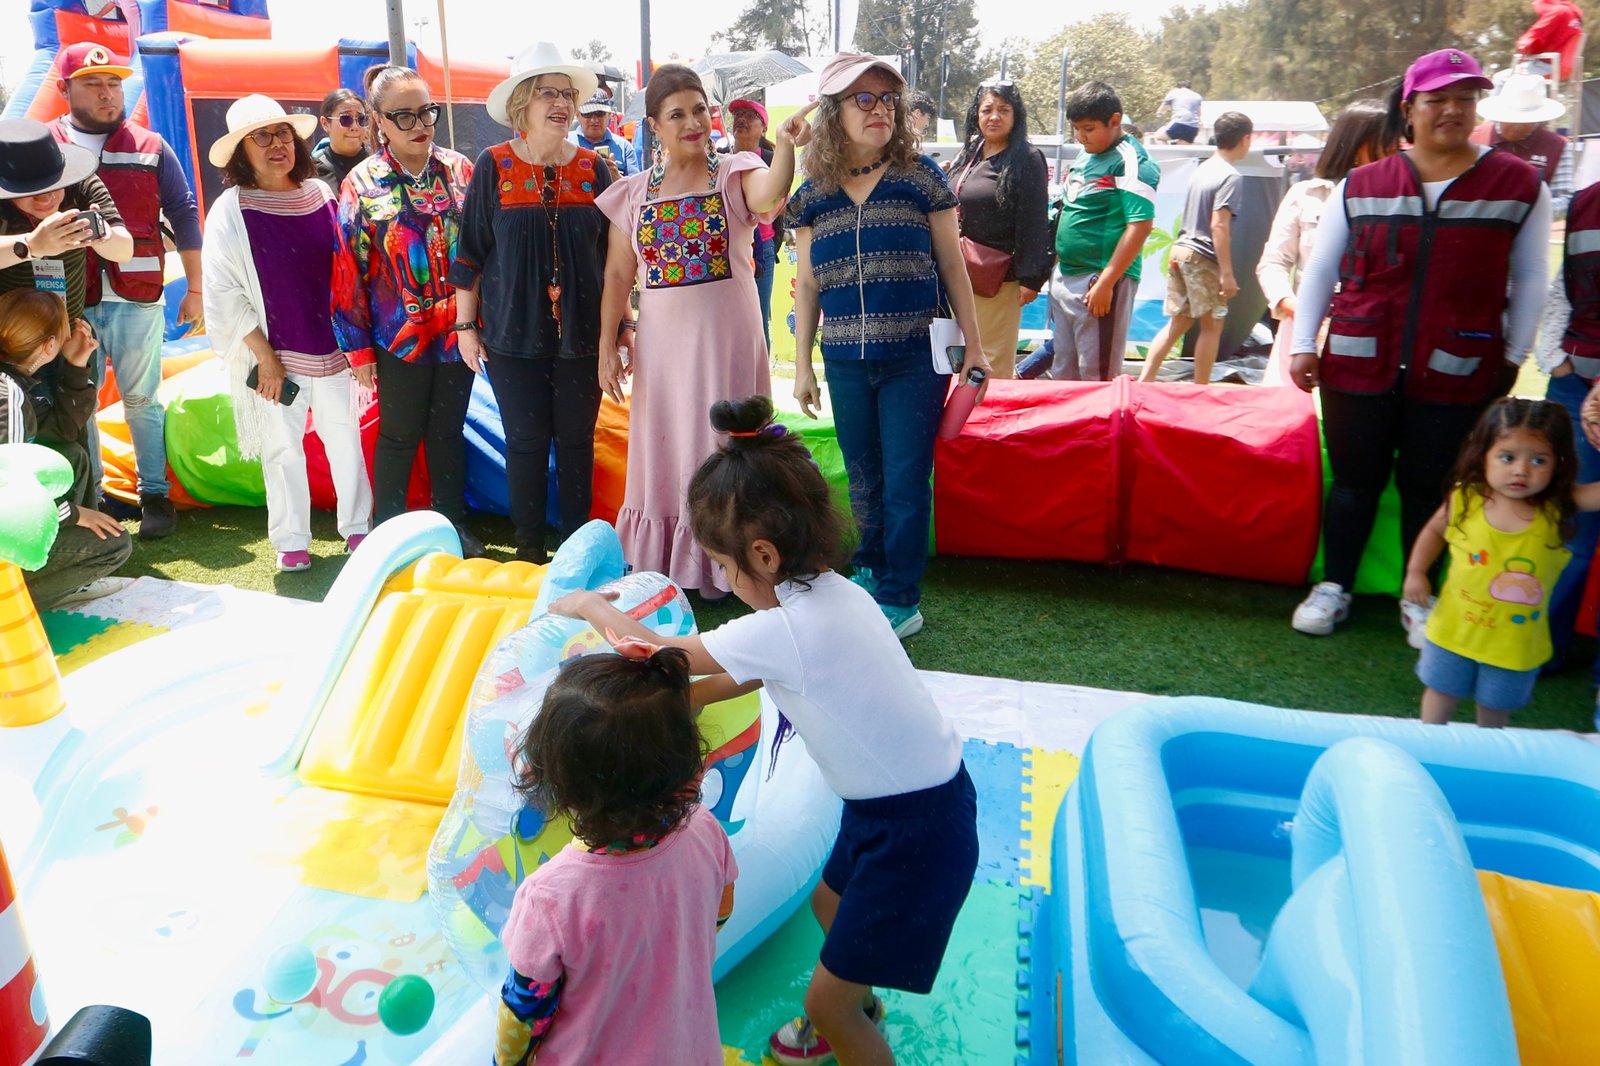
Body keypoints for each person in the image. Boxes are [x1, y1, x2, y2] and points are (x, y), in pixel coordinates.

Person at [550, 396, 978, 1066]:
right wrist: (686, 703)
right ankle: (859, 1012)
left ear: (764, 555)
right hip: (907, 807)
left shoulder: (791, 625)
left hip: (917, 829)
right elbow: (744, 678)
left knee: (821, 1003)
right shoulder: (832, 593)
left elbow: (661, 656)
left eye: (722, 565)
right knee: (830, 906)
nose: (721, 578)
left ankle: (845, 1020)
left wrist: (586, 606)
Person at [1287, 48, 1551, 637]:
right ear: (1409, 110)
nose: (1452, 111)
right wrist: (1304, 343)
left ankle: (1419, 595)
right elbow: (1322, 267)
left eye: (1465, 99)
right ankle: (1334, 586)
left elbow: (1533, 276)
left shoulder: (1519, 185)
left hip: (1460, 365)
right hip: (1359, 362)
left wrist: (1513, 356)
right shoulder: (1361, 183)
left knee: (1432, 485)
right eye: (1437, 100)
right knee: (1354, 482)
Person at [789, 51, 988, 638]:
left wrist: (973, 347)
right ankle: (872, 572)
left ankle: (902, 597)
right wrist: (802, 365)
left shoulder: (921, 177)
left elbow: (953, 265)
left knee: (905, 479)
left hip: (913, 358)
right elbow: (806, 288)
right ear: (834, 113)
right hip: (845, 359)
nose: (879, 110)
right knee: (864, 475)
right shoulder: (813, 194)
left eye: (887, 100)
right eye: (863, 99)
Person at [593, 64, 799, 598]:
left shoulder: (735, 171)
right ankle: (668, 562)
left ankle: (735, 559)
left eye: (699, 110)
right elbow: (618, 274)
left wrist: (789, 147)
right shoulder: (632, 193)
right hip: (662, 350)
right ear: (655, 126)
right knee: (667, 444)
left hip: (726, 343)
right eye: (676, 114)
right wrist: (606, 344)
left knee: (725, 445)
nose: (692, 122)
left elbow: (771, 191)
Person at [494, 647, 737, 1066]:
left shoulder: (551, 897)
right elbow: (721, 910)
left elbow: (525, 1012)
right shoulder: (703, 829)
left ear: (562, 783)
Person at [449, 44, 613, 564]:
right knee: (523, 441)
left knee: (576, 443)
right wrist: (465, 326)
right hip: (511, 334)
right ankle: (527, 550)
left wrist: (623, 325)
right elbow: (470, 251)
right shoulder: (493, 165)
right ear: (522, 104)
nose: (561, 103)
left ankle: (578, 548)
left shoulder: (596, 169)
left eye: (568, 94)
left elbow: (614, 259)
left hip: (583, 334)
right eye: (549, 93)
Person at [204, 95, 373, 574]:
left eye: (283, 135)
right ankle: (292, 538)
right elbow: (223, 290)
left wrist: (357, 343)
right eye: (262, 137)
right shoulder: (230, 211)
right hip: (275, 354)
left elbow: (346, 271)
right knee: (281, 448)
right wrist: (265, 356)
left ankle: (357, 528)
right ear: (242, 151)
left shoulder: (321, 195)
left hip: (334, 348)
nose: (277, 144)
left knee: (347, 439)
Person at [48, 42, 204, 540]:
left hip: (137, 294)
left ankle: (154, 495)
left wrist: (195, 286)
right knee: (76, 399)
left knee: (142, 399)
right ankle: (89, 499)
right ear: (63, 90)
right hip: (67, 297)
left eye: (113, 82)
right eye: (93, 83)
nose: (107, 92)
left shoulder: (152, 144)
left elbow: (184, 212)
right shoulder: (44, 146)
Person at [332, 65, 482, 557]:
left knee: (447, 432)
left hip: (460, 332)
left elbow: (484, 253)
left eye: (427, 111)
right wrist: (358, 351)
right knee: (398, 434)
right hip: (396, 337)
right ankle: (388, 533)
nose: (420, 123)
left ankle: (452, 526)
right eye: (403, 115)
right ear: (377, 120)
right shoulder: (361, 181)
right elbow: (347, 271)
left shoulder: (462, 170)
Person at [1404, 398, 1600, 726]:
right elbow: (1434, 531)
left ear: (1559, 463)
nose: (1521, 470)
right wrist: (1416, 572)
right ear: (1483, 454)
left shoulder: (1559, 506)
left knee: (1494, 713)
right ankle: (1429, 747)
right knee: (1440, 694)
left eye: (1539, 460)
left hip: (1514, 647)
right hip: (1453, 633)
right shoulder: (1467, 497)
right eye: (1507, 457)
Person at [0, 119, 134, 497]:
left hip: (70, 334)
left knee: (77, 426)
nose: (46, 199)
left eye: (53, 186)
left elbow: (125, 248)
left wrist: (101, 235)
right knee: (16, 437)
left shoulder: (82, 182)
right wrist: (31, 244)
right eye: (30, 192)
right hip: (10, 343)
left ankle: (87, 510)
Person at [0, 289, 130, 609]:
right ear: (48, 347)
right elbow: (7, 496)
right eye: (63, 335)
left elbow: (62, 431)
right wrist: (71, 514)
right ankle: (11, 605)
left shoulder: (11, 383)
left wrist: (76, 365)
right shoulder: (9, 397)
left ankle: (67, 577)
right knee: (115, 545)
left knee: (69, 454)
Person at [1257, 100, 1397, 387]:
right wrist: (1294, 305)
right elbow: (1273, 262)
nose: (1394, 148)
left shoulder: (1399, 201)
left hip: (1370, 336)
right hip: (1303, 334)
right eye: (1386, 140)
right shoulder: (1306, 194)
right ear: (1357, 143)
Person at [1050, 81, 1161, 381]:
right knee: (1063, 374)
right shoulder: (1086, 155)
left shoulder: (1132, 161)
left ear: (1114, 121)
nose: (1080, 136)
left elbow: (1140, 226)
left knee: (1096, 377)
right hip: (1065, 278)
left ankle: (1099, 430)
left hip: (1098, 283)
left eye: (1088, 128)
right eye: (1076, 128)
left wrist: (1107, 283)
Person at [1139, 110, 1254, 386]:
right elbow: (1219, 225)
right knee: (1212, 324)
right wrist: (1227, 273)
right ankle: (1201, 391)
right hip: (1202, 257)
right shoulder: (1230, 176)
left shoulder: (1204, 169)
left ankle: (1145, 382)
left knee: (1178, 323)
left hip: (1180, 252)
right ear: (1245, 139)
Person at [1537, 179, 1600, 677]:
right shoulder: (1586, 200)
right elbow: (1564, 290)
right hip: (1573, 381)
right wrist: (1556, 360)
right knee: (1569, 529)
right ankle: (1538, 647)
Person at [947, 81, 1050, 378]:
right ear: (976, 115)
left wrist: (1031, 277)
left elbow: (1034, 222)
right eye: (987, 110)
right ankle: (958, 424)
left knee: (989, 363)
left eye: (1003, 110)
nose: (994, 117)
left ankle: (989, 421)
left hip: (996, 280)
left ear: (1016, 115)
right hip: (957, 274)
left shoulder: (1027, 159)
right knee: (955, 358)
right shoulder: (970, 152)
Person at [723, 98, 782, 351]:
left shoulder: (773, 160)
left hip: (762, 250)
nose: (741, 119)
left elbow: (780, 203)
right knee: (727, 319)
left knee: (758, 320)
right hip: (725, 250)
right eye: (738, 115)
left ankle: (759, 385)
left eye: (749, 115)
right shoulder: (720, 159)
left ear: (764, 128)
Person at [1470, 74, 1572, 214]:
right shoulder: (1474, 138)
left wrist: (1527, 210)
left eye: (1525, 121)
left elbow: (1565, 198)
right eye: (1512, 119)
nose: (1517, 127)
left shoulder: (1558, 146)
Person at [312, 87, 371, 190]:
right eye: (345, 119)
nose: (355, 127)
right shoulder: (313, 173)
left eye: (361, 119)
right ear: (325, 123)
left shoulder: (381, 164)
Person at [572, 91, 639, 177]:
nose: (594, 120)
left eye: (600, 113)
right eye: (587, 114)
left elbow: (636, 187)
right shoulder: (564, 144)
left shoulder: (624, 148)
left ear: (609, 115)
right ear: (577, 115)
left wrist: (617, 177)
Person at [1155, 79, 1203, 144]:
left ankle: (1168, 153)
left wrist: (1159, 115)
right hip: (1193, 127)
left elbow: (1161, 111)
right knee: (1181, 150)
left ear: (1178, 87)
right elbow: (1199, 114)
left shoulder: (1174, 92)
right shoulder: (1197, 96)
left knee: (1158, 137)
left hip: (1179, 123)